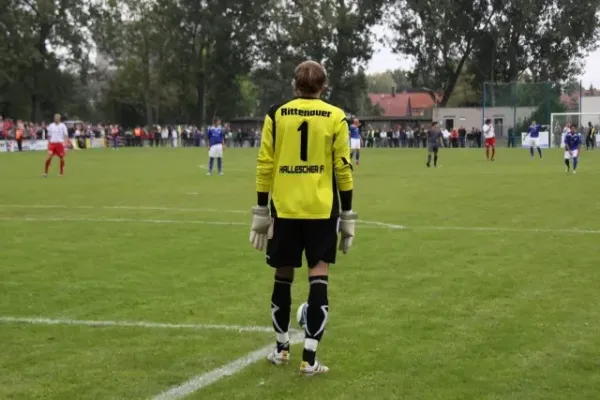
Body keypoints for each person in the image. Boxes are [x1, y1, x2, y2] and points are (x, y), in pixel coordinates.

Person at [249, 60, 356, 376]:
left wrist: (260, 208)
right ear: (324, 85)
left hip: (284, 209)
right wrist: (348, 213)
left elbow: (265, 164)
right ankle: (309, 359)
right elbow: (343, 169)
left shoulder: (276, 113)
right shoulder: (336, 116)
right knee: (318, 274)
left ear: (294, 84)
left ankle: (281, 349)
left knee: (283, 275)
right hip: (322, 209)